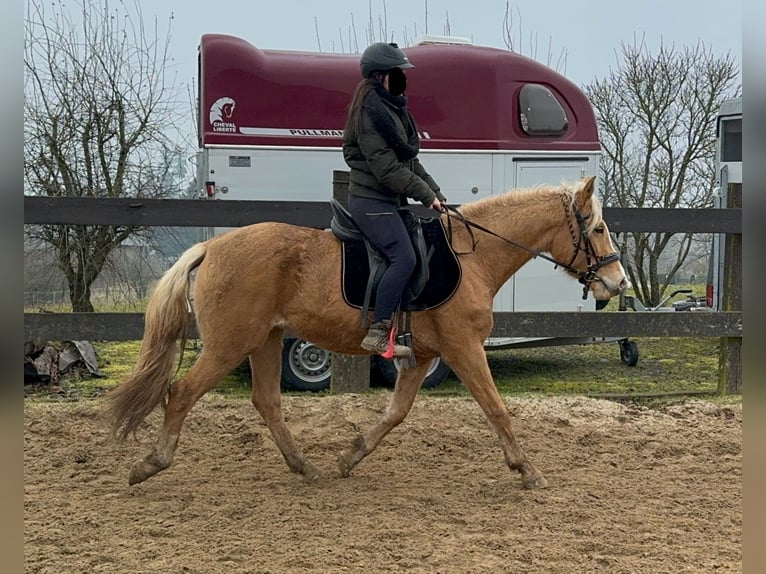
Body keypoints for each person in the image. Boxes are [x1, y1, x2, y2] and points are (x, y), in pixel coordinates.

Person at [342, 42, 447, 358]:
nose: (403, 79)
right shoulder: (368, 113)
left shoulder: (393, 109)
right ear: (380, 77)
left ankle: (406, 329)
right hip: (369, 201)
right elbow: (386, 168)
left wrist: (436, 193)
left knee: (419, 249)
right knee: (405, 257)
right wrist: (424, 195)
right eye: (397, 73)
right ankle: (377, 331)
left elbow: (409, 162)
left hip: (388, 201)